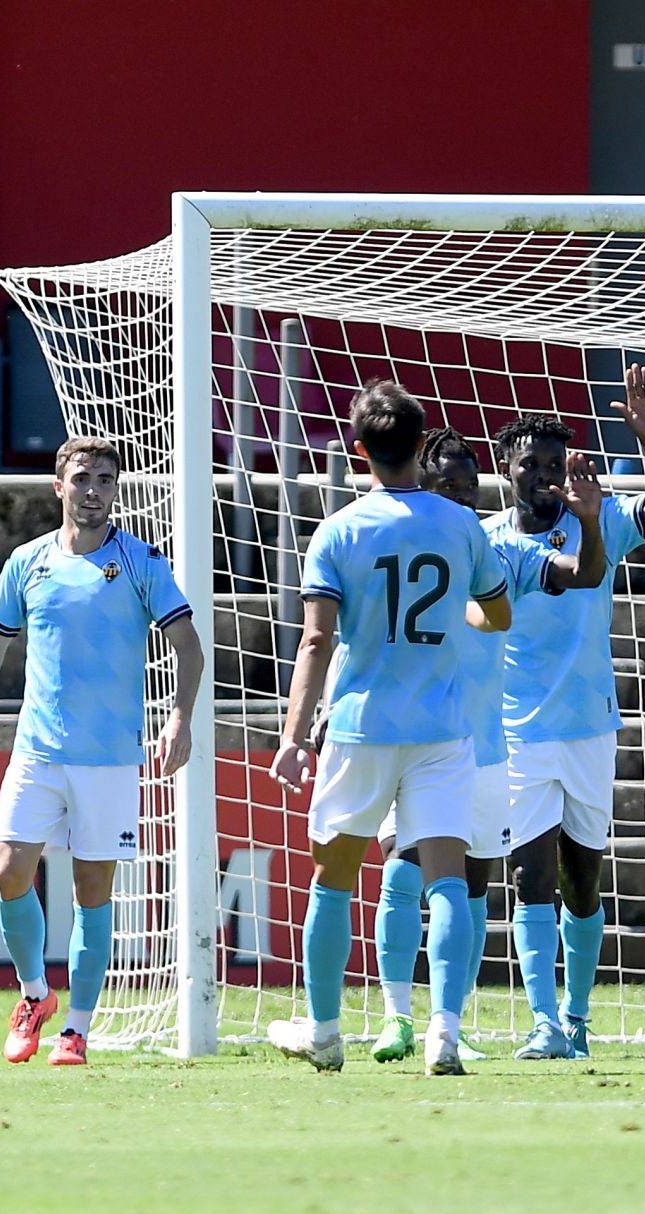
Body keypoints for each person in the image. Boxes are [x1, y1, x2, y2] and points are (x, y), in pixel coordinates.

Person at [267, 381, 511, 1076]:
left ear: (359, 450)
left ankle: (325, 1032)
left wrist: (293, 739)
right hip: (442, 727)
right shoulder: (462, 525)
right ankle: (444, 1032)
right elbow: (497, 613)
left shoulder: (340, 530)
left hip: (362, 726)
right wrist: (456, 615)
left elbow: (316, 641)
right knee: (448, 882)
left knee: (333, 881)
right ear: (421, 443)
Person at [0, 435, 204, 1067]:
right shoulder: (27, 562)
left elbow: (190, 646)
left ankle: (77, 1029)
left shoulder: (141, 562)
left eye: (105, 480)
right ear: (58, 486)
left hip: (109, 758)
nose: (94, 491)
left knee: (93, 891)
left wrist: (179, 716)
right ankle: (35, 995)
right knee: (8, 870)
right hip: (37, 751)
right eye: (83, 478)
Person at [368, 427, 606, 1064]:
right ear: (422, 484)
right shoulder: (392, 544)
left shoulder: (496, 553)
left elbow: (584, 572)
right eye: (447, 485)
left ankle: (451, 1021)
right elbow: (351, 631)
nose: (459, 496)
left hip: (484, 749)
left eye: (468, 487)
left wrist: (589, 520)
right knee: (402, 872)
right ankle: (395, 1017)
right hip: (409, 737)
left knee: (470, 889)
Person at [488, 364, 645, 1059]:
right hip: (518, 731)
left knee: (582, 881)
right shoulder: (489, 541)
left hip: (591, 727)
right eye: (530, 464)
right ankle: (543, 1021)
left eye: (553, 463)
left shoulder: (594, 515)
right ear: (506, 468)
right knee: (530, 877)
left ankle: (576, 1014)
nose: (544, 475)